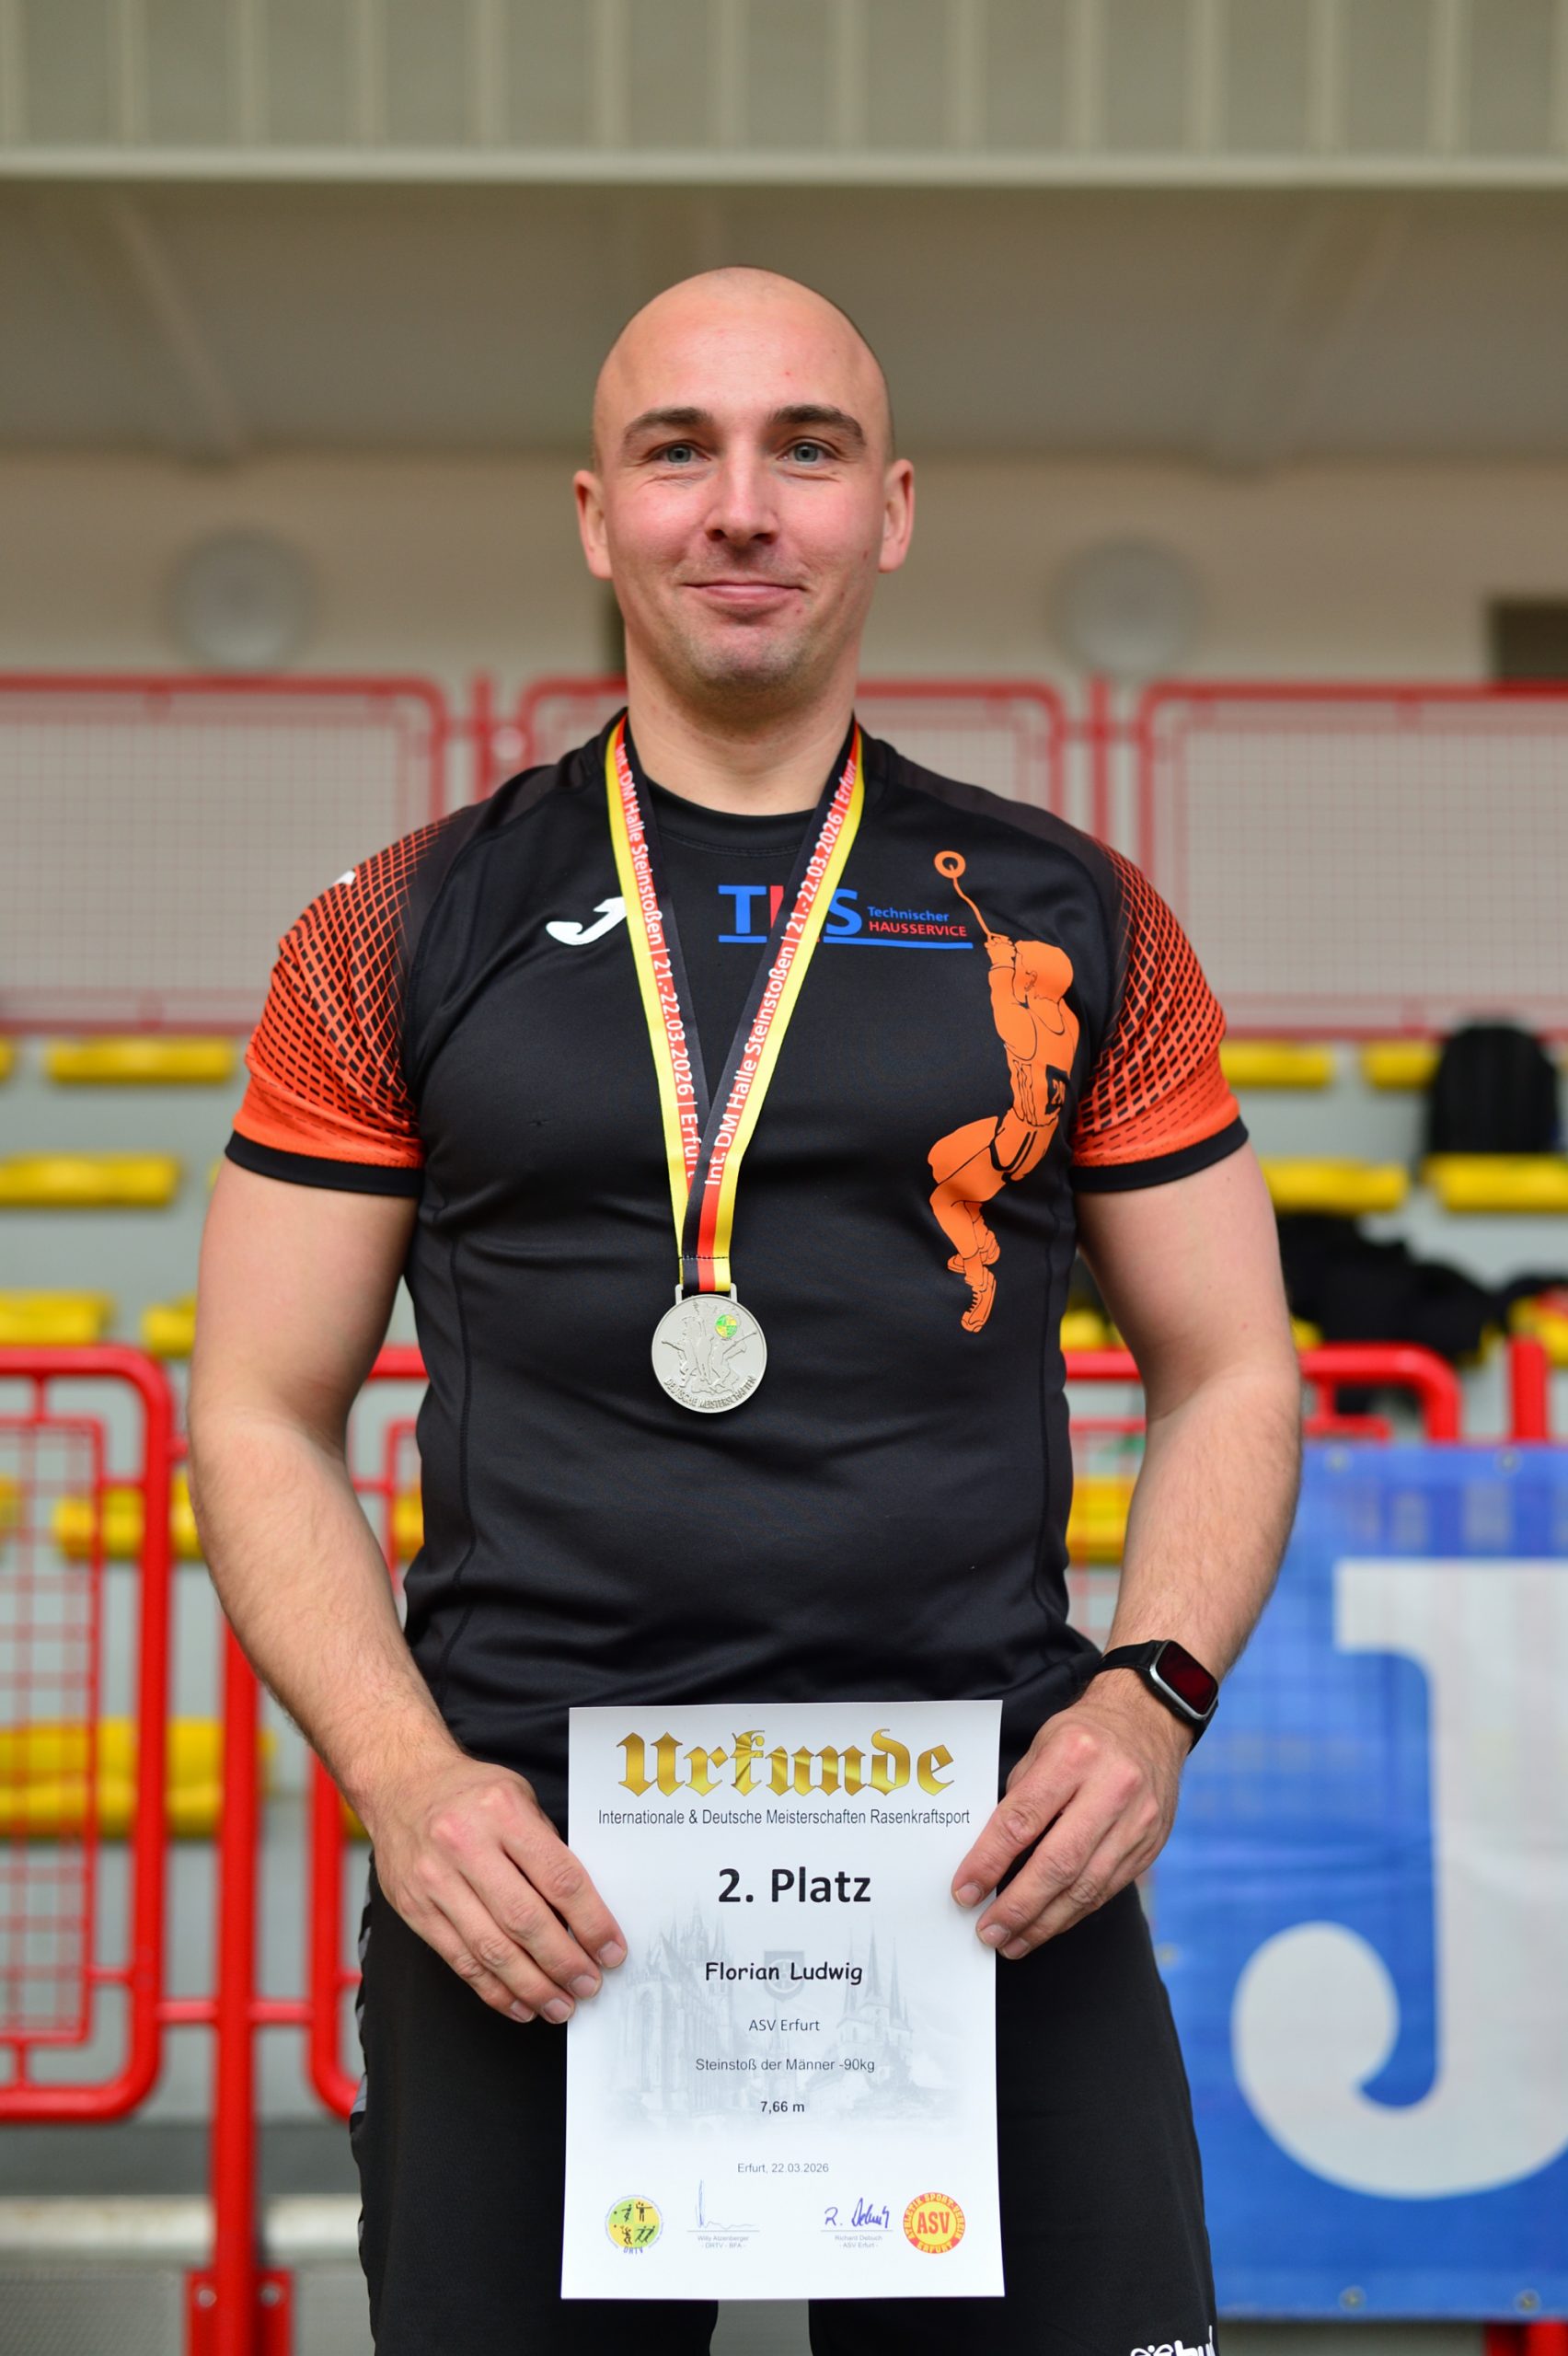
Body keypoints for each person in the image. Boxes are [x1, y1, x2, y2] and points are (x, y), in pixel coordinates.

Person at [188, 266, 1302, 2354]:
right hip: (530, 1874)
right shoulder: (392, 926)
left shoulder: (1072, 913)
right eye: (675, 450)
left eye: (804, 448)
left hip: (994, 1851)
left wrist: (1146, 1700)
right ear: (594, 513)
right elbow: (256, 1404)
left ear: (892, 506)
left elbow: (1232, 1360)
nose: (740, 505)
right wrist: (411, 1784)